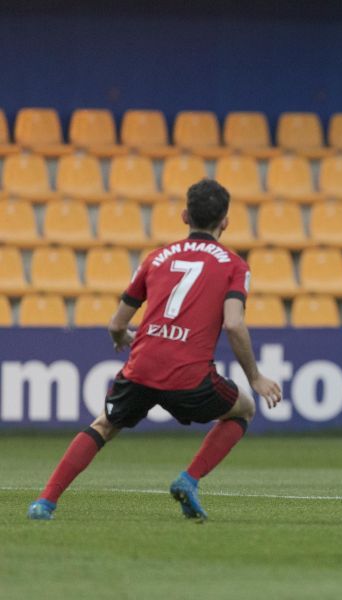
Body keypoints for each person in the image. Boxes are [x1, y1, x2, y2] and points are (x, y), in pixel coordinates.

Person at [27, 179, 282, 522]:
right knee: (243, 410)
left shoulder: (157, 257)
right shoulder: (235, 265)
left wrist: (121, 338)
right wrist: (255, 376)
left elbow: (117, 323)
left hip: (142, 366)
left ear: (184, 215)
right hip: (189, 376)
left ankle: (45, 502)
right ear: (225, 221)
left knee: (103, 426)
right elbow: (234, 324)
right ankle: (188, 480)